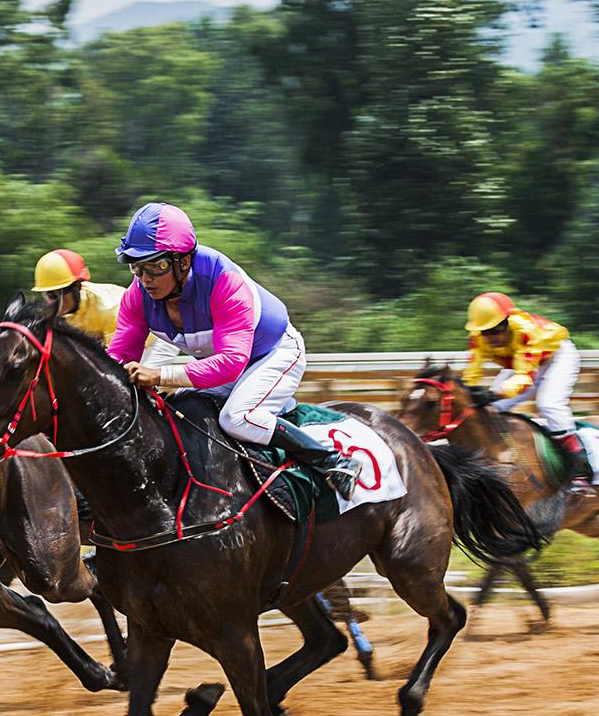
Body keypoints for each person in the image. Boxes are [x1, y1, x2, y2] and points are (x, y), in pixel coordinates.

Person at [106, 202, 361, 496]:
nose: (145, 277)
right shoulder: (135, 297)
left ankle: (332, 460)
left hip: (273, 354)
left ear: (183, 262)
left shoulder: (224, 281)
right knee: (179, 411)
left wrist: (160, 375)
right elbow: (118, 359)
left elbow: (230, 363)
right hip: (222, 363)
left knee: (237, 418)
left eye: (157, 265)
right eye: (136, 266)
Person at [462, 291, 593, 498]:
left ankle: (580, 470)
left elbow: (525, 379)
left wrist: (494, 393)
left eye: (496, 331)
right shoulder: (478, 338)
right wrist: (467, 390)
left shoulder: (525, 331)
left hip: (556, 357)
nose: (491, 338)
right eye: (485, 333)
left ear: (508, 323)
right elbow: (472, 371)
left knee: (549, 404)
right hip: (520, 361)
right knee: (490, 410)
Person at [30, 248, 123, 342]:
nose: (55, 303)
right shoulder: (50, 314)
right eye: (49, 295)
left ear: (77, 287)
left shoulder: (110, 310)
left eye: (59, 294)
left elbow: (118, 354)